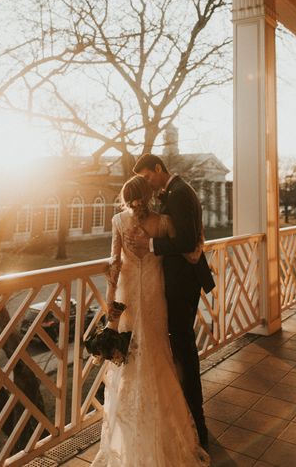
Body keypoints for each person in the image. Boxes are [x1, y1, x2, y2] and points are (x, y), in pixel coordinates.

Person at [91, 175, 209, 467]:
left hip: (127, 295)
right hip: (156, 295)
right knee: (157, 354)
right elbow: (190, 249)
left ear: (124, 196)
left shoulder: (119, 221)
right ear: (149, 195)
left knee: (129, 358)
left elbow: (114, 263)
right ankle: (165, 423)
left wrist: (110, 307)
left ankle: (130, 427)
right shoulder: (163, 222)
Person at [128, 153, 215, 450]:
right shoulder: (178, 191)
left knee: (184, 349)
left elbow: (187, 242)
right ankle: (189, 416)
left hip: (182, 282)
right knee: (180, 346)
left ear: (159, 169)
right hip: (184, 280)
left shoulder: (179, 194)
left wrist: (149, 244)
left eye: (148, 177)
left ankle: (197, 423)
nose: (148, 184)